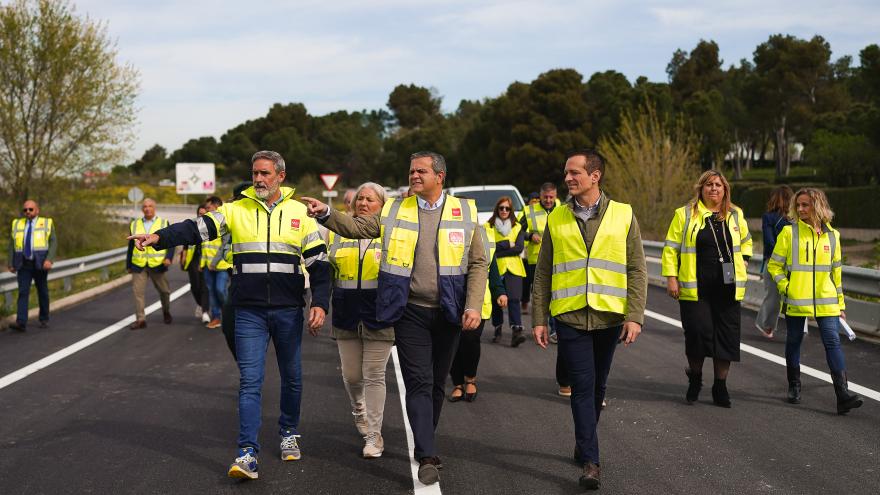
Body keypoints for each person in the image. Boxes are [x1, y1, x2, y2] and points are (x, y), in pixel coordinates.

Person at [128, 151, 330, 481]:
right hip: (248, 309)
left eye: (265, 173)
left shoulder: (300, 213)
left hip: (288, 309)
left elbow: (320, 263)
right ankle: (247, 452)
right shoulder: (235, 211)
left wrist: (320, 302)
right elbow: (196, 229)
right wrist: (158, 238)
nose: (259, 179)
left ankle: (288, 431)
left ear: (280, 175)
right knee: (250, 381)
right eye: (255, 173)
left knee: (291, 376)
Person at [301, 151, 487, 486]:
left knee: (436, 383)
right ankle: (427, 454)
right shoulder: (395, 209)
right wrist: (326, 213)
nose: (414, 176)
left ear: (440, 176)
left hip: (450, 311)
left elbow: (478, 264)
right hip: (410, 310)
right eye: (411, 170)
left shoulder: (467, 212)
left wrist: (473, 305)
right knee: (417, 380)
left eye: (421, 171)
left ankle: (424, 437)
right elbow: (357, 227)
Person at [532, 149, 646, 491]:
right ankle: (592, 461)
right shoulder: (556, 218)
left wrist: (635, 316)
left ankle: (583, 442)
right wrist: (539, 317)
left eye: (574, 173)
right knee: (582, 386)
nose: (567, 178)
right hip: (569, 317)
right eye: (566, 173)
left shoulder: (624, 215)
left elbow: (637, 268)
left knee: (598, 386)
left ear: (594, 176)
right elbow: (542, 273)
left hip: (609, 316)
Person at [767, 188, 863, 414]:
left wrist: (840, 304)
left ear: (818, 206)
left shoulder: (833, 236)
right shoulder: (789, 233)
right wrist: (786, 286)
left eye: (805, 205)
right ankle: (794, 385)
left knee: (832, 342)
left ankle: (842, 395)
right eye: (797, 205)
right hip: (797, 298)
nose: (800, 209)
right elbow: (774, 265)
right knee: (794, 341)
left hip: (827, 300)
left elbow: (836, 273)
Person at [662, 170, 752, 408]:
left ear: (725, 190)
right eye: (709, 185)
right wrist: (671, 278)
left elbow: (746, 241)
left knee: (727, 338)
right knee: (698, 334)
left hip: (728, 288)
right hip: (696, 288)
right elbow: (671, 248)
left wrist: (745, 260)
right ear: (701, 189)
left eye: (719, 185)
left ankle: (720, 386)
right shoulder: (684, 214)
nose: (714, 189)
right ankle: (695, 378)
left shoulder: (735, 214)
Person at [326, 182, 394, 459]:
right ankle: (359, 410)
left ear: (382, 205)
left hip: (380, 313)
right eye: (359, 199)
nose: (363, 203)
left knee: (375, 375)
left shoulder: (389, 233)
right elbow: (326, 270)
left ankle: (374, 436)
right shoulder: (337, 233)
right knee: (352, 375)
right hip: (346, 311)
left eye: (370, 199)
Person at [449, 227, 504, 403]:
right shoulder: (447, 231)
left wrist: (500, 291)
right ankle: (457, 383)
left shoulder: (484, 235)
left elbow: (492, 268)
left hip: (479, 301)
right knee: (454, 342)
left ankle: (470, 379)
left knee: (470, 340)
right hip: (451, 297)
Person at [7, 200, 56, 332]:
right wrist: (10, 262)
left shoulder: (47, 223)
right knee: (23, 292)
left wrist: (49, 260)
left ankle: (44, 318)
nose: (28, 212)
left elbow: (53, 242)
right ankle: (21, 322)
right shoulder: (17, 224)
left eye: (30, 209)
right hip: (23, 264)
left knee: (42, 291)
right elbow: (11, 244)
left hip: (40, 263)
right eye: (25, 210)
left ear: (37, 210)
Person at [126, 198, 174, 330]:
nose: (147, 208)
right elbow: (130, 246)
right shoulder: (134, 224)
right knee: (138, 293)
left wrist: (169, 257)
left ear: (154, 208)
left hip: (157, 264)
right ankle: (140, 320)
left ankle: (166, 311)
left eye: (150, 206)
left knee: (164, 291)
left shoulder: (163, 223)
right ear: (142, 209)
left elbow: (170, 243)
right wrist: (128, 265)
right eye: (145, 206)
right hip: (139, 264)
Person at [486, 196, 527, 346]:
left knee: (514, 299)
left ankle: (517, 331)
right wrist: (505, 243)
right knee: (497, 301)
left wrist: (498, 250)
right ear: (497, 209)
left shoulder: (517, 227)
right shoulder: (487, 227)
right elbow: (487, 247)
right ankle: (497, 328)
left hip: (514, 268)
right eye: (501, 208)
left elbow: (519, 248)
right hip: (495, 268)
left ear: (511, 210)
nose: (504, 211)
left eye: (507, 208)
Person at [755, 186, 792, 337]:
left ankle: (767, 327)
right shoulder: (795, 220)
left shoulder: (768, 217)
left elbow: (769, 242)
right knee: (796, 297)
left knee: (773, 296)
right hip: (794, 263)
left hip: (773, 261)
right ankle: (798, 329)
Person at [521, 184, 557, 318]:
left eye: (551, 197)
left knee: (556, 294)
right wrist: (530, 236)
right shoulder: (529, 211)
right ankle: (540, 326)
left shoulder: (563, 209)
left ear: (556, 196)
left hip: (557, 259)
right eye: (545, 197)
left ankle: (554, 329)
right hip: (535, 260)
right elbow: (517, 231)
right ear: (540, 196)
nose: (548, 200)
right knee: (539, 295)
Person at [201, 195, 231, 329]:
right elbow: (204, 246)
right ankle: (216, 317)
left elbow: (224, 245)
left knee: (220, 290)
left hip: (221, 265)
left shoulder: (224, 222)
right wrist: (202, 264)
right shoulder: (205, 223)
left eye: (208, 208)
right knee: (212, 292)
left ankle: (230, 312)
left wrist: (214, 262)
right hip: (208, 266)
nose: (206, 210)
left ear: (216, 207)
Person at [180, 205, 210, 324]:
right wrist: (183, 256)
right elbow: (186, 244)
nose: (201, 216)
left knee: (204, 287)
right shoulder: (192, 227)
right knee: (194, 287)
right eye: (199, 214)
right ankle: (200, 304)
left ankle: (205, 312)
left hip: (206, 259)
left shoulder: (211, 227)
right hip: (193, 260)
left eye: (204, 214)